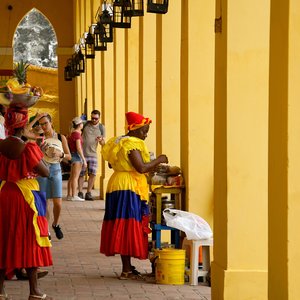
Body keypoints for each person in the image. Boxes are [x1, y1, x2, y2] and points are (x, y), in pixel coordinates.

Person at [100, 111, 168, 279]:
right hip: (128, 186)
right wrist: (159, 159)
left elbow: (110, 164)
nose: (145, 135)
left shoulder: (118, 141)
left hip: (117, 182)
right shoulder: (132, 143)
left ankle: (128, 266)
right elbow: (141, 168)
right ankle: (126, 270)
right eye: (144, 131)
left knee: (123, 223)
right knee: (128, 225)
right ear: (135, 129)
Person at [0, 106, 52, 300]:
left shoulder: (2, 145)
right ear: (23, 127)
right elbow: (45, 171)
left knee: (4, 239)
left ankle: (1, 290)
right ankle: (34, 291)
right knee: (30, 240)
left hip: (5, 193)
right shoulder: (28, 148)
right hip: (25, 197)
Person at [37, 113, 71, 240]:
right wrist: (40, 149)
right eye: (41, 124)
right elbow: (35, 156)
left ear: (51, 122)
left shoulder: (60, 137)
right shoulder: (39, 138)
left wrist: (61, 154)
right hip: (43, 169)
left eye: (45, 123)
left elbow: (69, 156)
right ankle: (46, 230)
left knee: (58, 203)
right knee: (44, 202)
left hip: (56, 169)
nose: (44, 126)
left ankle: (56, 224)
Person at [78, 110, 105, 201]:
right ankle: (80, 192)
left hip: (93, 154)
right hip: (82, 153)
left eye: (96, 118)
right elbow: (77, 131)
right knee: (81, 174)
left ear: (99, 118)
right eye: (92, 118)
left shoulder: (101, 127)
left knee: (93, 174)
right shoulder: (85, 124)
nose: (93, 120)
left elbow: (103, 143)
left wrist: (101, 140)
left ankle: (88, 193)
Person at [66, 117, 87, 201]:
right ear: (79, 125)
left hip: (72, 155)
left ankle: (69, 195)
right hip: (77, 156)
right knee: (75, 177)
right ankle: (74, 195)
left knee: (71, 177)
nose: (83, 125)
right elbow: (79, 147)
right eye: (82, 123)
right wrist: (83, 159)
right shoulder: (77, 134)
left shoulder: (72, 133)